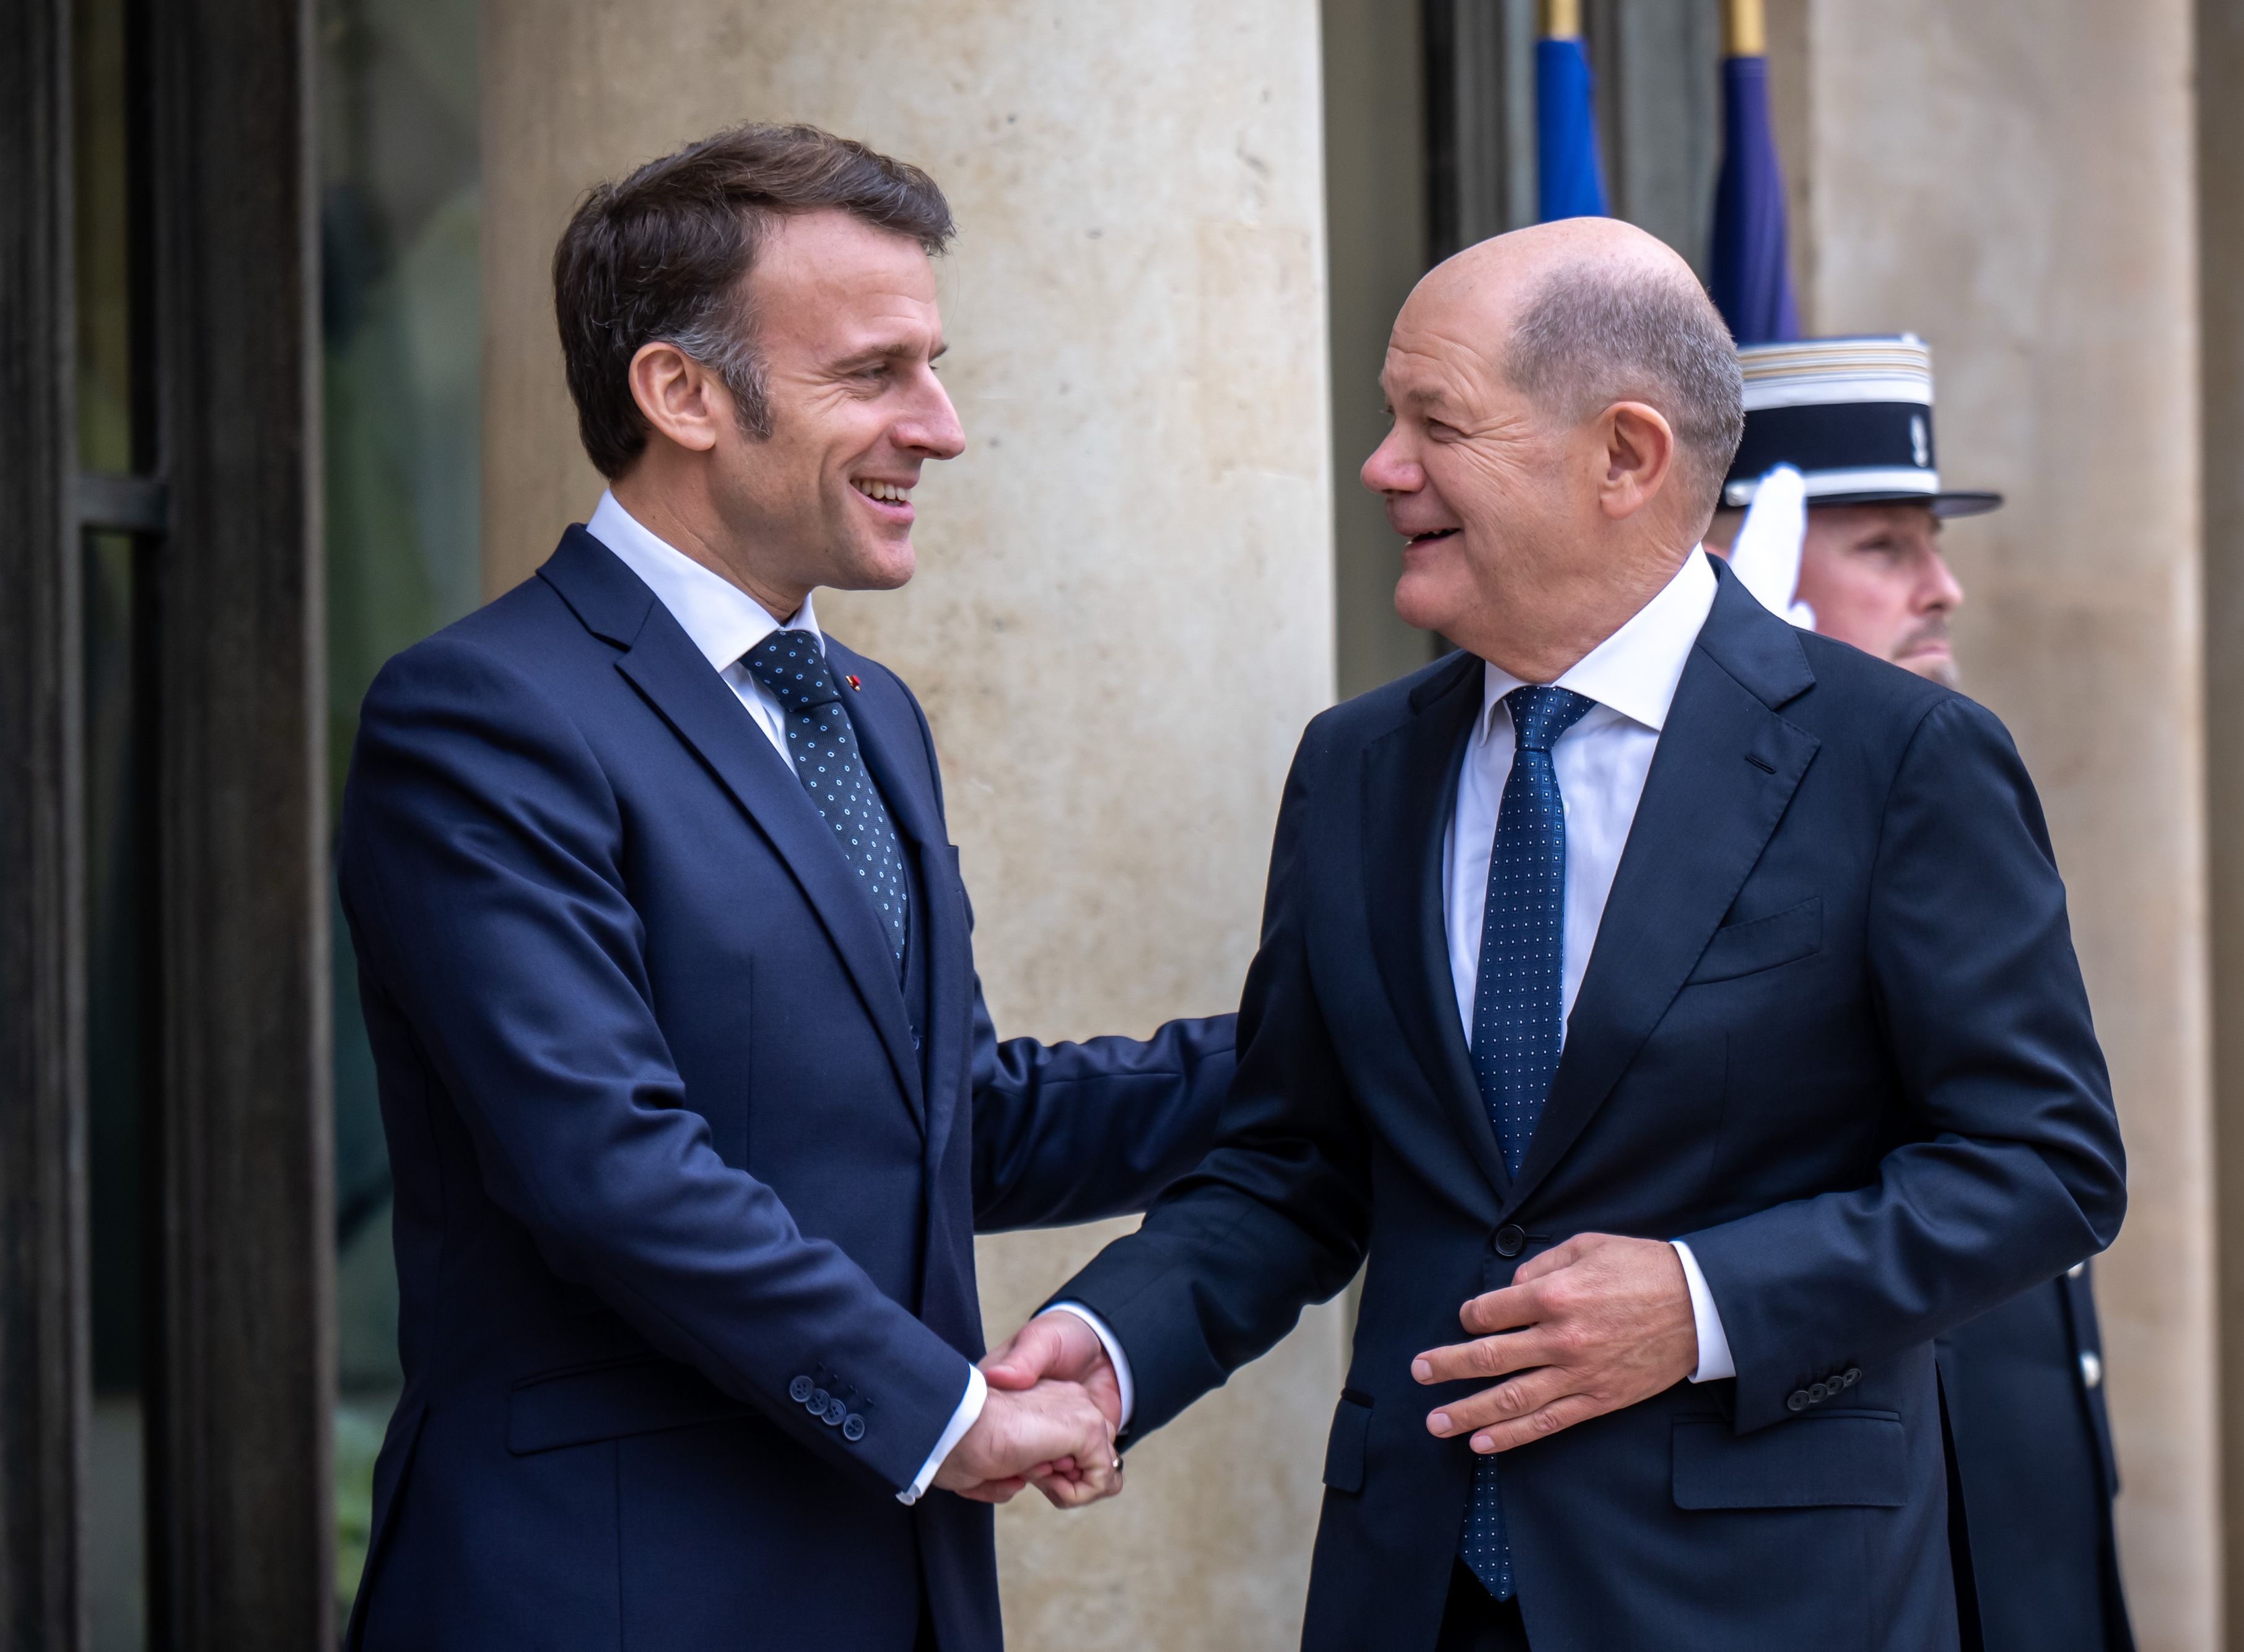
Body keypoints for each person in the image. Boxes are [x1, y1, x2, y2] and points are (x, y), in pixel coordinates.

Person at [982, 219, 2126, 1652]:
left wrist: (1699, 1299)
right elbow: (1295, 1164)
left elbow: (2043, 1164)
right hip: (1411, 1592)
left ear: (1624, 457)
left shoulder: (1896, 758)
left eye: (1433, 422)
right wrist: (1107, 1349)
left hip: (1760, 1602)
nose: (1380, 466)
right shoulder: (1355, 767)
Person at [334, 125, 1234, 1652]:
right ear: (681, 393)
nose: (938, 427)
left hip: (890, 1585)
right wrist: (943, 1415)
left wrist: (1347, 1025)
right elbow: (608, 1167)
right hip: (609, 1592)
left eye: (932, 365)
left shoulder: (867, 713)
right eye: (875, 373)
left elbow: (956, 1124)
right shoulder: (479, 715)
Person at [1702, 335, 2137, 1652]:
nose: (1941, 587)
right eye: (1883, 547)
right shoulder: (1701, 804)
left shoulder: (1927, 774)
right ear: (1740, 554)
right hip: (1847, 1549)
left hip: (2011, 1508)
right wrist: (1727, 723)